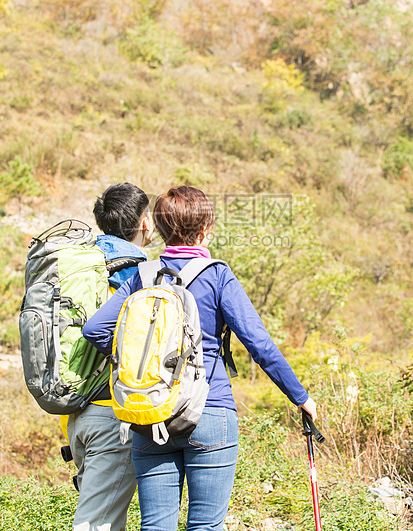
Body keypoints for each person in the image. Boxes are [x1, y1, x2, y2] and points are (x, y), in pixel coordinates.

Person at [83, 186, 317, 531]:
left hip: (151, 410)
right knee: (206, 526)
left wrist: (136, 361)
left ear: (158, 229)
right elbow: (259, 344)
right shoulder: (217, 274)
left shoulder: (143, 275)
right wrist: (301, 397)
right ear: (205, 229)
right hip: (208, 409)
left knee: (156, 527)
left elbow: (95, 330)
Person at [67, 182, 153, 531]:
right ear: (144, 222)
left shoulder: (84, 261)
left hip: (77, 414)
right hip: (111, 418)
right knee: (95, 525)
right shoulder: (137, 270)